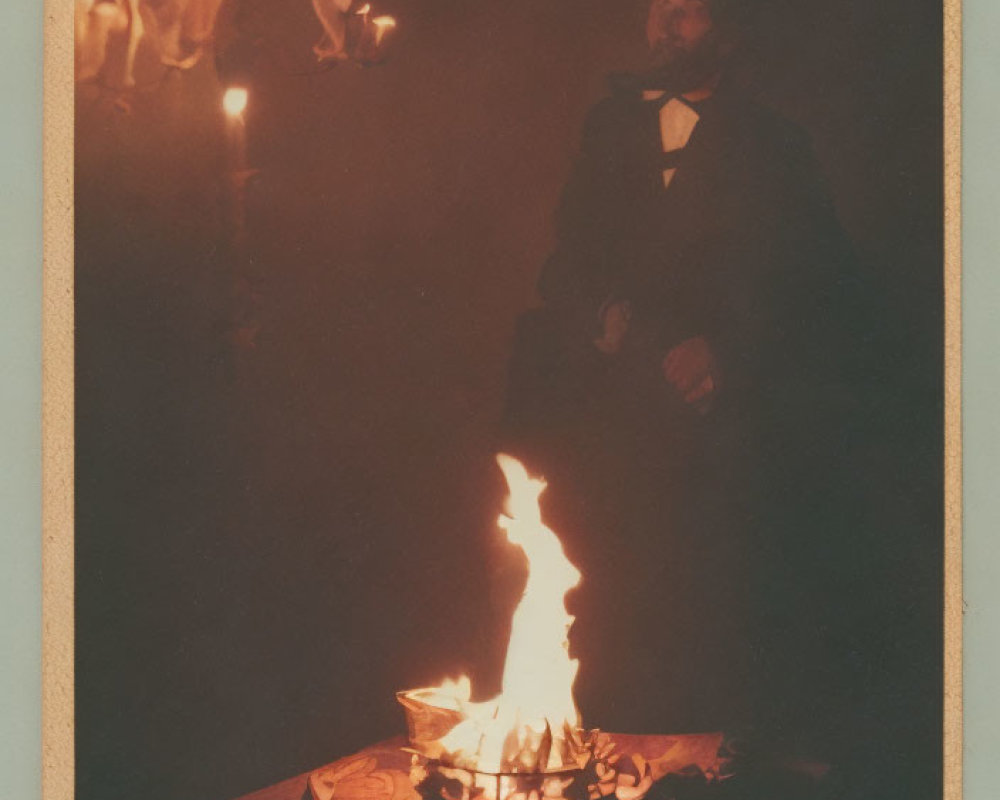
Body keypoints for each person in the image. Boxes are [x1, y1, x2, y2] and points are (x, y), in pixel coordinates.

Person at [500, 0, 870, 744]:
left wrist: (727, 352)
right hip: (613, 444)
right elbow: (565, 262)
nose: (665, 24)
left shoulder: (778, 145)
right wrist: (599, 312)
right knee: (610, 648)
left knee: (710, 664)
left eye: (689, 10)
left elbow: (823, 290)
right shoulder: (608, 129)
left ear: (730, 29)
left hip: (725, 452)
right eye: (655, 8)